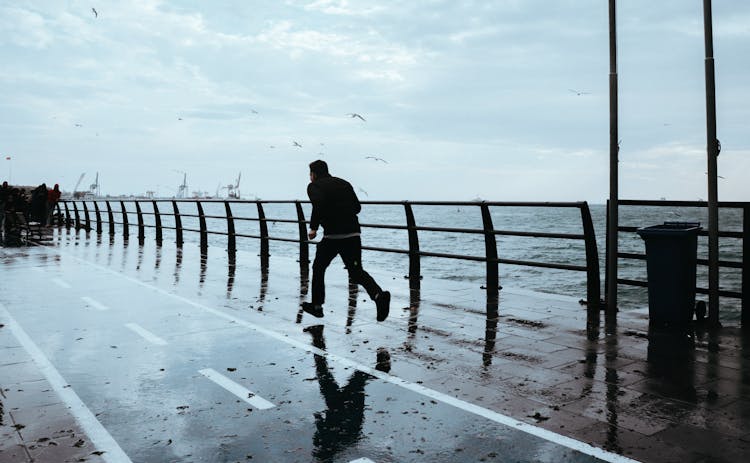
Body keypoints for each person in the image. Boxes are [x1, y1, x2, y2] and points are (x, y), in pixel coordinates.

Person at [301, 160, 390, 321]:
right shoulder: (344, 183)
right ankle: (379, 296)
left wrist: (313, 227)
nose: (310, 177)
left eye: (310, 174)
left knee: (319, 267)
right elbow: (357, 208)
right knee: (356, 272)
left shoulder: (314, 186)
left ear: (314, 174)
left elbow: (318, 205)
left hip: (332, 237)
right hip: (353, 236)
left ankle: (317, 306)